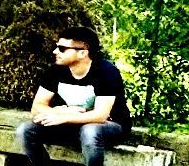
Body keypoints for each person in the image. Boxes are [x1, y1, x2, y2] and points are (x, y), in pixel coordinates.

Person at [14, 26, 131, 166]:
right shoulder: (55, 71)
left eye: (62, 48)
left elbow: (100, 115)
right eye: (56, 47)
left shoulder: (106, 72)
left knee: (90, 131)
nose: (55, 51)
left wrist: (63, 116)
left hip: (110, 126)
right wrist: (61, 112)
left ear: (83, 53)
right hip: (70, 123)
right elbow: (37, 108)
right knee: (25, 130)